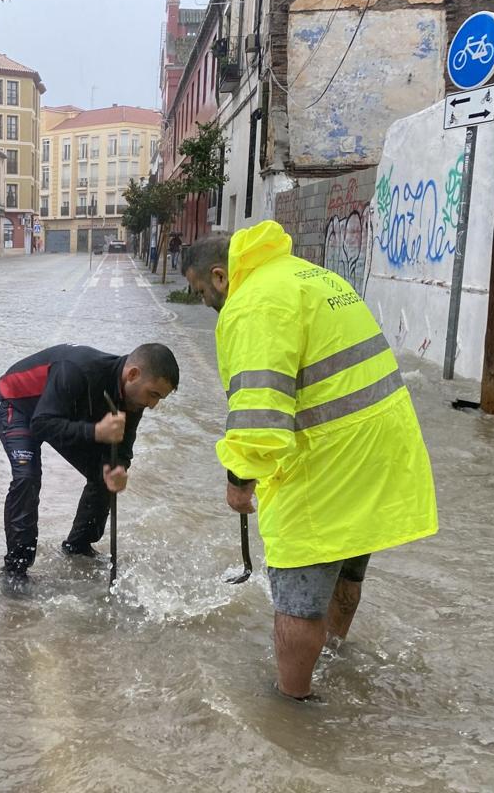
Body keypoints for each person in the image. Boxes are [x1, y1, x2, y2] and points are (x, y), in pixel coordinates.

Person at [182, 221, 437, 700]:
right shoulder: (310, 275)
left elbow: (259, 415)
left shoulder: (254, 303)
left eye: (200, 292)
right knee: (347, 568)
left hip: (329, 463)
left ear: (219, 277)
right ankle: (335, 655)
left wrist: (239, 480)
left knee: (298, 600)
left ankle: (293, 708)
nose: (204, 303)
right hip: (380, 452)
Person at [0, 343, 180, 580]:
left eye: (159, 399)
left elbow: (122, 448)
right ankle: (15, 570)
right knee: (27, 478)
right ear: (133, 374)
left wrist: (119, 469)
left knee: (105, 474)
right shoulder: (78, 369)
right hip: (18, 406)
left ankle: (78, 548)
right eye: (153, 394)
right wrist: (95, 432)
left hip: (62, 415)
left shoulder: (133, 397)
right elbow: (41, 425)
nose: (153, 405)